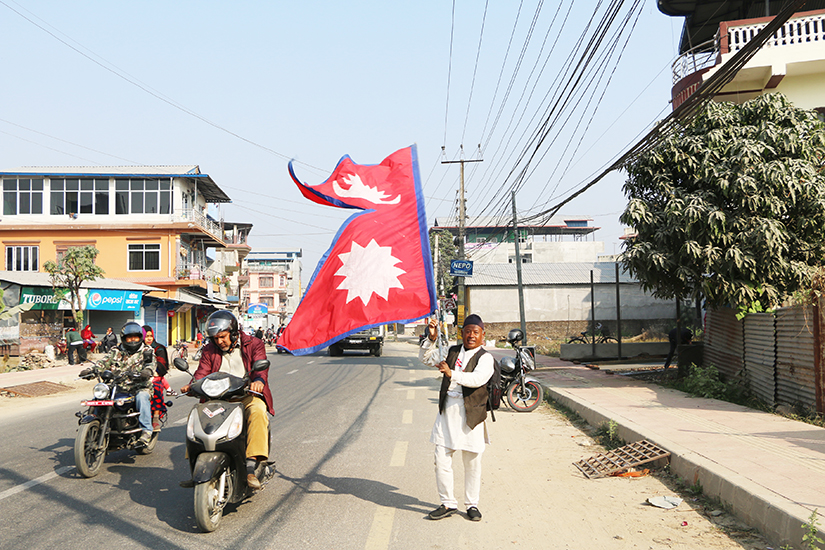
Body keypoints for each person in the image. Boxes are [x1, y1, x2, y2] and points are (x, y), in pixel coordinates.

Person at [180, 310, 272, 490]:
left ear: (234, 332)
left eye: (222, 337)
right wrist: (192, 385)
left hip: (246, 395)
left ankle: (251, 465)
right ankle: (197, 466)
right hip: (218, 398)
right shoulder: (209, 349)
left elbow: (261, 367)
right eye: (215, 338)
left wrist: (259, 381)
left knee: (258, 412)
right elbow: (202, 372)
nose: (219, 341)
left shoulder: (254, 344)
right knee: (197, 416)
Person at [419, 313, 493, 522]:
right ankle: (448, 503)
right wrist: (432, 338)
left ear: (482, 335)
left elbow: (478, 379)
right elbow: (425, 358)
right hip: (448, 411)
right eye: (467, 331)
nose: (471, 335)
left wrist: (453, 374)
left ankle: (471, 504)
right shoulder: (451, 351)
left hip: (472, 415)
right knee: (441, 458)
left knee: (472, 463)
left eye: (475, 332)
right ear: (462, 333)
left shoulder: (485, 358)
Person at [101, 322, 157, 446]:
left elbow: (151, 364)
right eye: (129, 337)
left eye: (135, 337)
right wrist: (92, 369)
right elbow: (104, 361)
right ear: (124, 338)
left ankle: (146, 431)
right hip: (117, 387)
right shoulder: (116, 350)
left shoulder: (147, 351)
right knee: (100, 395)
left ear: (140, 338)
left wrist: (147, 371)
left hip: (139, 387)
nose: (132, 340)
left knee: (142, 397)